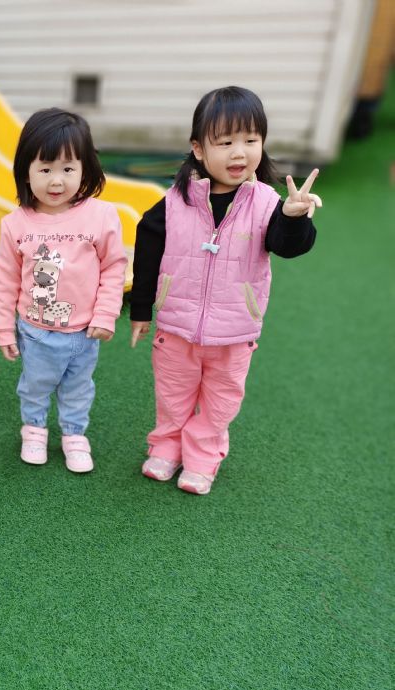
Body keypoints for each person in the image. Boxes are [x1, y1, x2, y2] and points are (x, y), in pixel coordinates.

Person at [129, 86, 321, 495]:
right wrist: (141, 310)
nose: (239, 153)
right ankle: (166, 447)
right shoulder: (175, 201)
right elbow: (147, 252)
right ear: (198, 149)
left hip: (234, 333)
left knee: (220, 402)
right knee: (172, 394)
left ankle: (202, 457)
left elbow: (288, 246)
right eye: (226, 142)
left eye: (251, 140)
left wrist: (294, 218)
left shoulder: (266, 203)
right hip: (176, 329)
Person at [0, 108, 127, 473]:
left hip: (85, 331)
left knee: (78, 387)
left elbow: (114, 267)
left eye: (68, 169)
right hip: (35, 331)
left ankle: (74, 434)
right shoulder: (15, 224)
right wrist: (4, 328)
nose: (56, 181)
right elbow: (5, 280)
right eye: (45, 169)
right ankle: (34, 430)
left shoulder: (101, 215)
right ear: (26, 171)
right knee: (35, 385)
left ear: (85, 169)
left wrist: (105, 315)